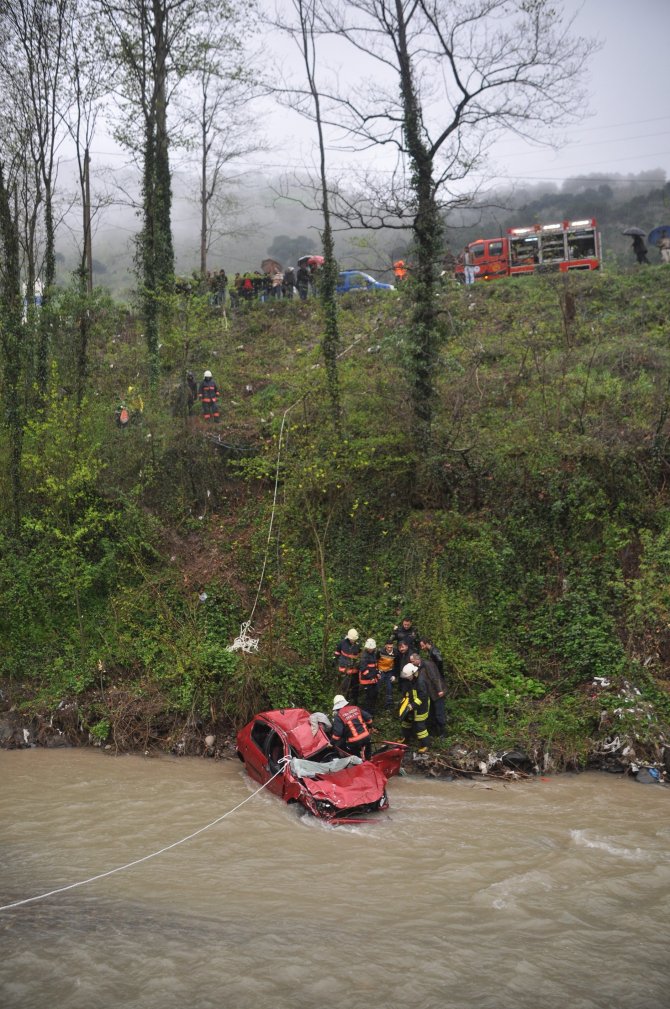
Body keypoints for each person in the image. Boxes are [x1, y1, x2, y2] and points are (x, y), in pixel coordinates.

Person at [411, 651, 446, 738]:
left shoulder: (428, 664)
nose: (411, 663)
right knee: (431, 713)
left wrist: (439, 690)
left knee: (439, 713)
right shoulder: (418, 667)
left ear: (417, 659)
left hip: (437, 693)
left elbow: (435, 678)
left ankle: (443, 733)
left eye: (412, 661)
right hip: (429, 694)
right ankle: (434, 732)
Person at [398, 663, 430, 751]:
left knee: (420, 727)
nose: (407, 678)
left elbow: (422, 697)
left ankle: (425, 744)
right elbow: (410, 692)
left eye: (408, 676)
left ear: (413, 673)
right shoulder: (412, 680)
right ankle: (405, 738)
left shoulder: (420, 681)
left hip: (420, 708)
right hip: (411, 705)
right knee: (406, 722)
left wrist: (412, 705)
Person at [330, 694, 373, 759]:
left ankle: (360, 763)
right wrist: (370, 727)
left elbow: (338, 734)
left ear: (337, 707)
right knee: (368, 756)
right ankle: (370, 761)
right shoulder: (356, 708)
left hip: (354, 742)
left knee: (357, 759)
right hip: (366, 737)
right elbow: (369, 719)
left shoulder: (338, 716)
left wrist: (331, 743)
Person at [334, 628, 361, 701]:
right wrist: (339, 662)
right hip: (344, 671)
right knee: (345, 689)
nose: (353, 641)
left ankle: (354, 702)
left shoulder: (358, 645)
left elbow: (359, 656)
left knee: (355, 688)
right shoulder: (342, 643)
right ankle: (345, 701)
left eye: (354, 639)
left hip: (355, 671)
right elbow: (337, 654)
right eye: (352, 639)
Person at [358, 637, 380, 715]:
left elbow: (375, 665)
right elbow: (363, 669)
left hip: (373, 679)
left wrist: (377, 673)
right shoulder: (364, 656)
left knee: (375, 694)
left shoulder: (373, 654)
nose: (371, 650)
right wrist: (371, 677)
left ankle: (371, 711)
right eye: (370, 649)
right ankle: (367, 713)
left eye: (372, 648)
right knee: (368, 697)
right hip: (366, 680)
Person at [377, 640, 398, 711]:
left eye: (391, 647)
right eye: (388, 647)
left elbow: (397, 664)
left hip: (389, 672)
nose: (389, 649)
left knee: (389, 688)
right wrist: (377, 671)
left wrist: (394, 675)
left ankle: (388, 705)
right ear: (385, 646)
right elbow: (375, 661)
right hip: (381, 671)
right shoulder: (380, 652)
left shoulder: (395, 653)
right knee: (377, 686)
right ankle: (376, 702)